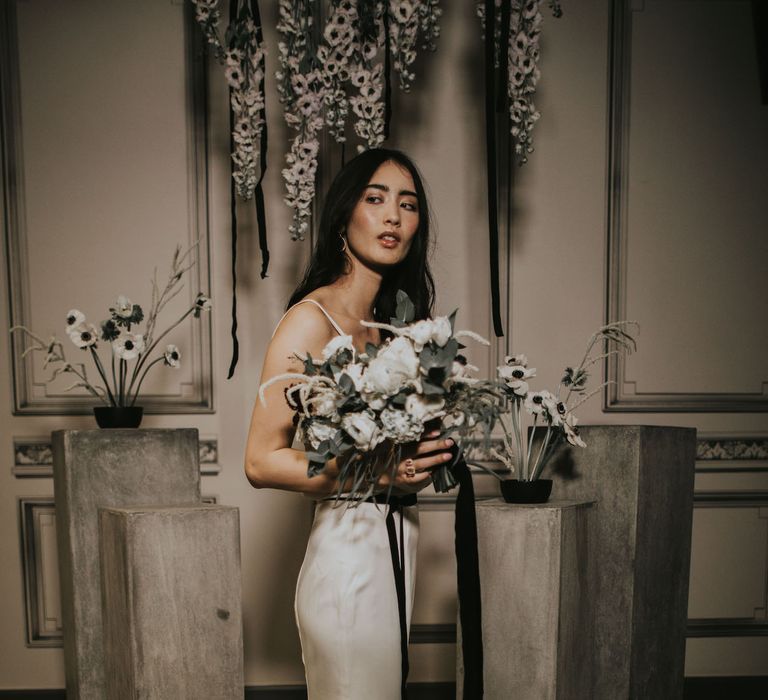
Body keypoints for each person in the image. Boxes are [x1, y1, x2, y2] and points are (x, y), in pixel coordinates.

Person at [244, 148, 455, 700]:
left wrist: (422, 460)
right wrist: (376, 473)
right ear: (344, 215)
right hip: (346, 555)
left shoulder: (395, 330)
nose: (393, 217)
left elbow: (397, 458)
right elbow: (260, 461)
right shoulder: (309, 321)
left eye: (407, 206)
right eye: (376, 198)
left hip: (398, 543)